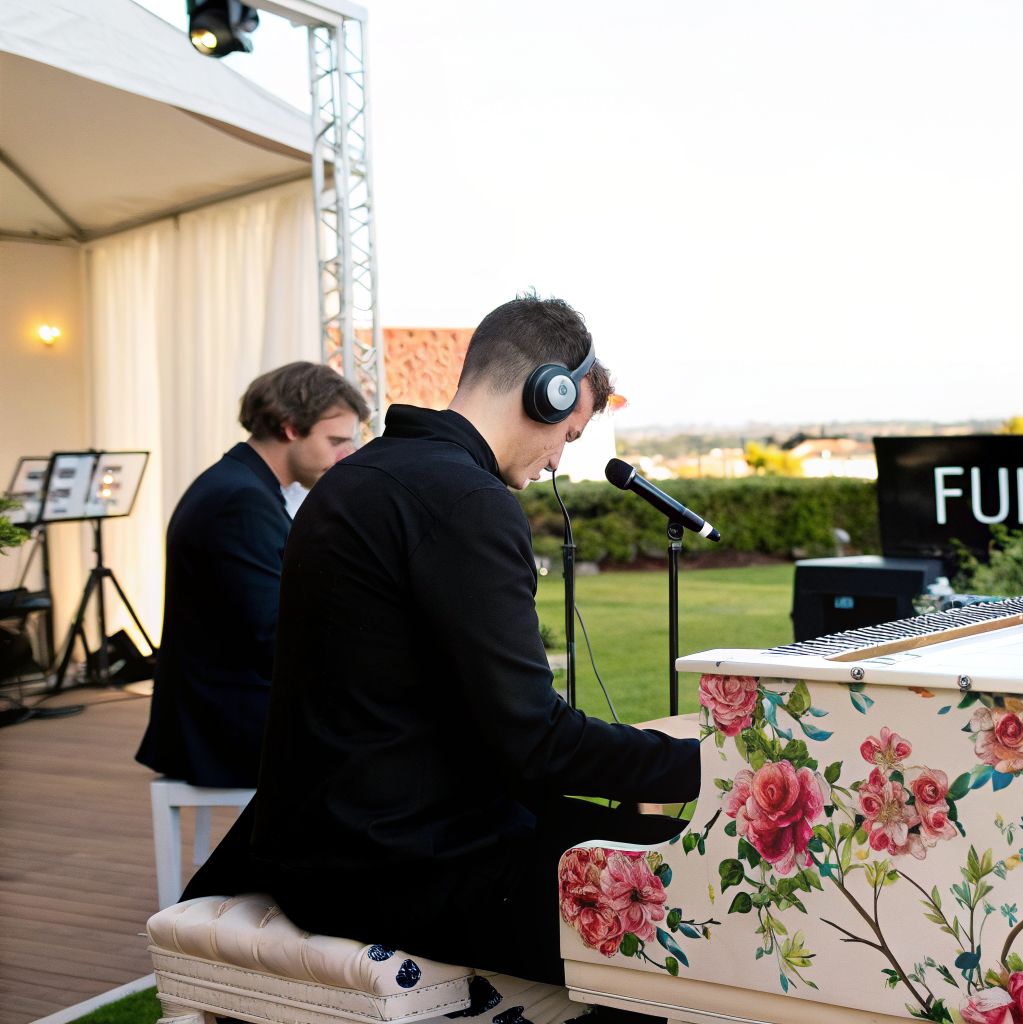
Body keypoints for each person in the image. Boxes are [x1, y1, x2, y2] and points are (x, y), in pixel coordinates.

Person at [192, 294, 698, 1006]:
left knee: (651, 847)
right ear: (548, 394)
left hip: (319, 841)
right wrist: (709, 762)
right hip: (395, 865)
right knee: (693, 907)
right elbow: (533, 743)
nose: (558, 460)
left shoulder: (356, 478)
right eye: (572, 435)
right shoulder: (467, 501)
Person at [135, 362, 367, 788]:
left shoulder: (239, 483)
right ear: (290, 427)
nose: (345, 455)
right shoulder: (240, 500)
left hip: (225, 709)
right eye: (335, 441)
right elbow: (275, 635)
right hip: (226, 726)